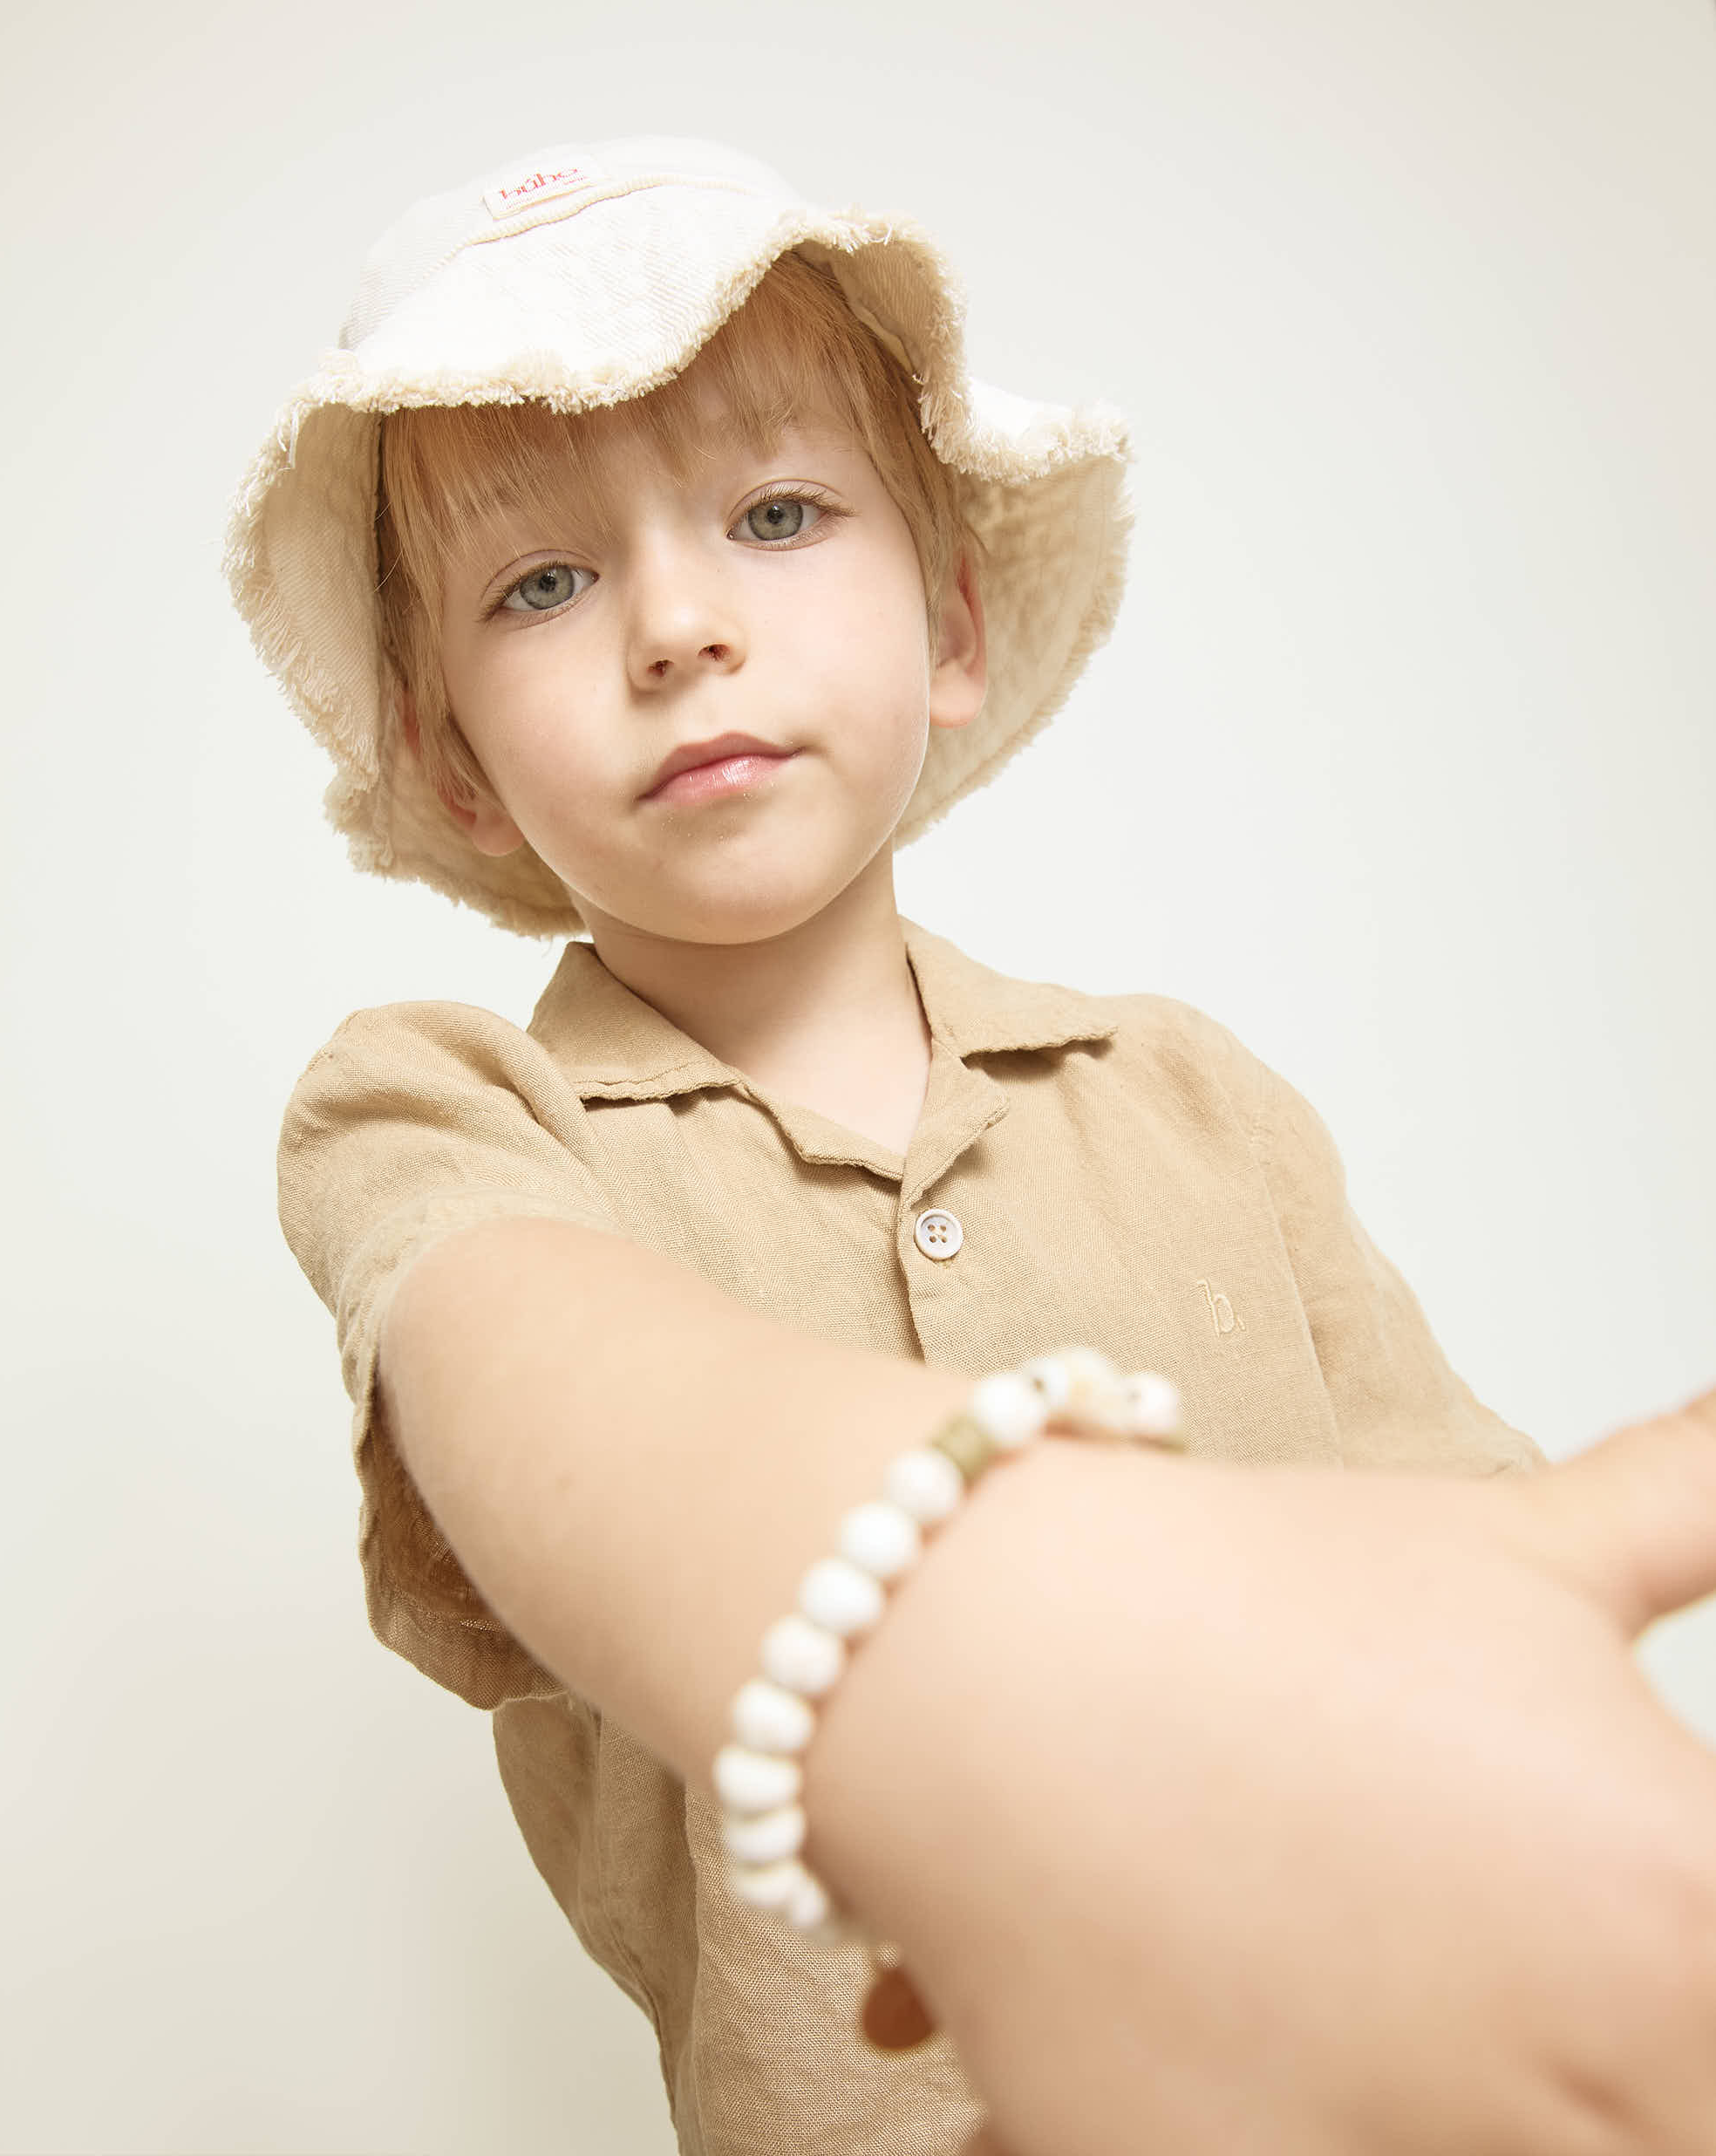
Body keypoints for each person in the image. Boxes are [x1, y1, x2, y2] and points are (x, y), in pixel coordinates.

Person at [231, 135, 1716, 2153]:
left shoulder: (1193, 1099)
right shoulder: (443, 1116)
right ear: (453, 763)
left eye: (775, 513)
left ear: (949, 624)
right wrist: (1018, 1644)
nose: (675, 623)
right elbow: (547, 1393)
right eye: (543, 583)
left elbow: (1467, 1583)